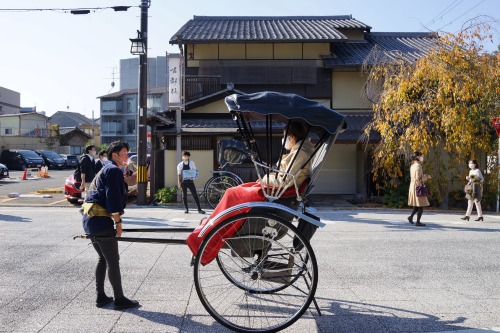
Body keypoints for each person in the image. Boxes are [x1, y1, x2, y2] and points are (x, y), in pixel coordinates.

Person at [186, 121, 314, 261]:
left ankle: (211, 230)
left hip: (278, 192)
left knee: (232, 193)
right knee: (236, 191)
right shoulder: (301, 150)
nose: (284, 139)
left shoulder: (300, 152)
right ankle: (213, 224)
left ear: (292, 136)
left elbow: (283, 180)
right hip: (278, 191)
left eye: (285, 135)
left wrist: (263, 180)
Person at [82, 141, 140, 310]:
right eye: (124, 153)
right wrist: (118, 223)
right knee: (113, 261)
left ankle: (101, 297)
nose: (127, 157)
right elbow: (113, 201)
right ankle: (119, 299)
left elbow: (116, 194)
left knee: (103, 258)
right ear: (114, 155)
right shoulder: (113, 170)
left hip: (90, 220)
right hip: (101, 221)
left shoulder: (107, 169)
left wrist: (132, 188)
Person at [407, 151, 432, 227]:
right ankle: (418, 221)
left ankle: (411, 217)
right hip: (418, 186)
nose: (422, 157)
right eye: (421, 156)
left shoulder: (412, 165)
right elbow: (418, 178)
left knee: (417, 204)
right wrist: (427, 177)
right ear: (417, 157)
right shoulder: (418, 165)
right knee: (421, 205)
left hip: (413, 185)